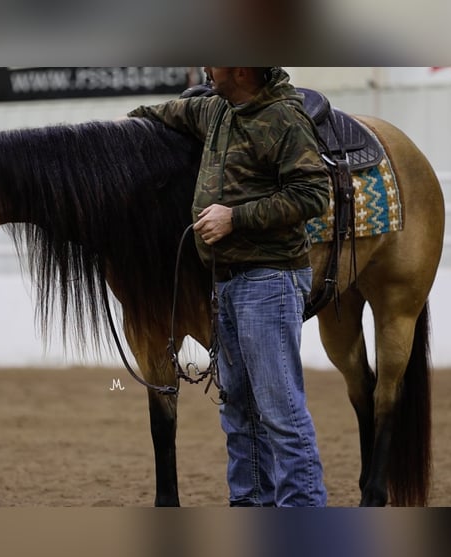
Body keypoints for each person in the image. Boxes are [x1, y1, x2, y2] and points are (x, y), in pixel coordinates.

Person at [127, 67, 330, 506]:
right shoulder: (217, 109)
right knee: (238, 410)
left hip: (269, 281)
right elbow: (164, 112)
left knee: (281, 414)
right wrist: (128, 129)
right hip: (229, 284)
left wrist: (235, 217)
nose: (206, 68)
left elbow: (314, 194)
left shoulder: (283, 119)